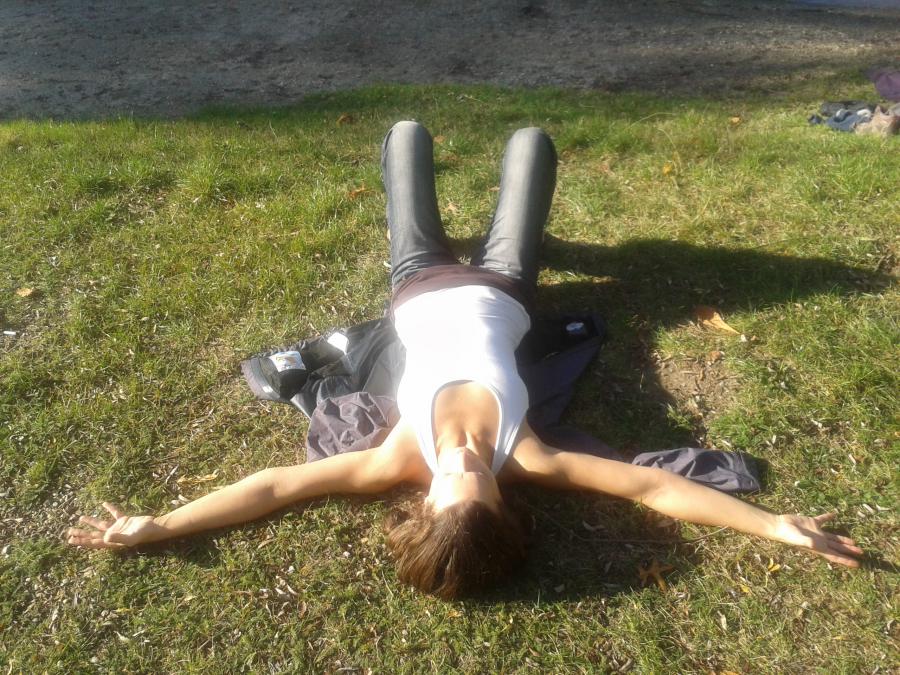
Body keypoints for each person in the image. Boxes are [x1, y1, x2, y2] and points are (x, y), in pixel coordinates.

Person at [66, 121, 863, 599]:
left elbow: (272, 487)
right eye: (481, 481)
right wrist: (776, 526)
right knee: (531, 144)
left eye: (452, 481)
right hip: (507, 284)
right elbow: (653, 488)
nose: (466, 463)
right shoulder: (532, 455)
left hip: (416, 281)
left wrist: (161, 523)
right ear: (502, 503)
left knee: (406, 136)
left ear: (423, 503)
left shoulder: (390, 460)